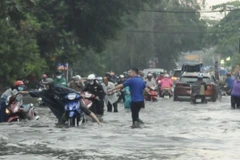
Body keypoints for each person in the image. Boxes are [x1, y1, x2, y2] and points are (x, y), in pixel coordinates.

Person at [30, 78, 101, 124]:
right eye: (45, 85)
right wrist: (26, 92)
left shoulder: (59, 87)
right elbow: (36, 93)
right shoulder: (47, 92)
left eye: (47, 85)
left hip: (75, 99)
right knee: (61, 120)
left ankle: (98, 122)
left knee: (84, 108)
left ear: (50, 84)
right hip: (66, 102)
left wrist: (80, 94)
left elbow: (70, 90)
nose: (46, 86)